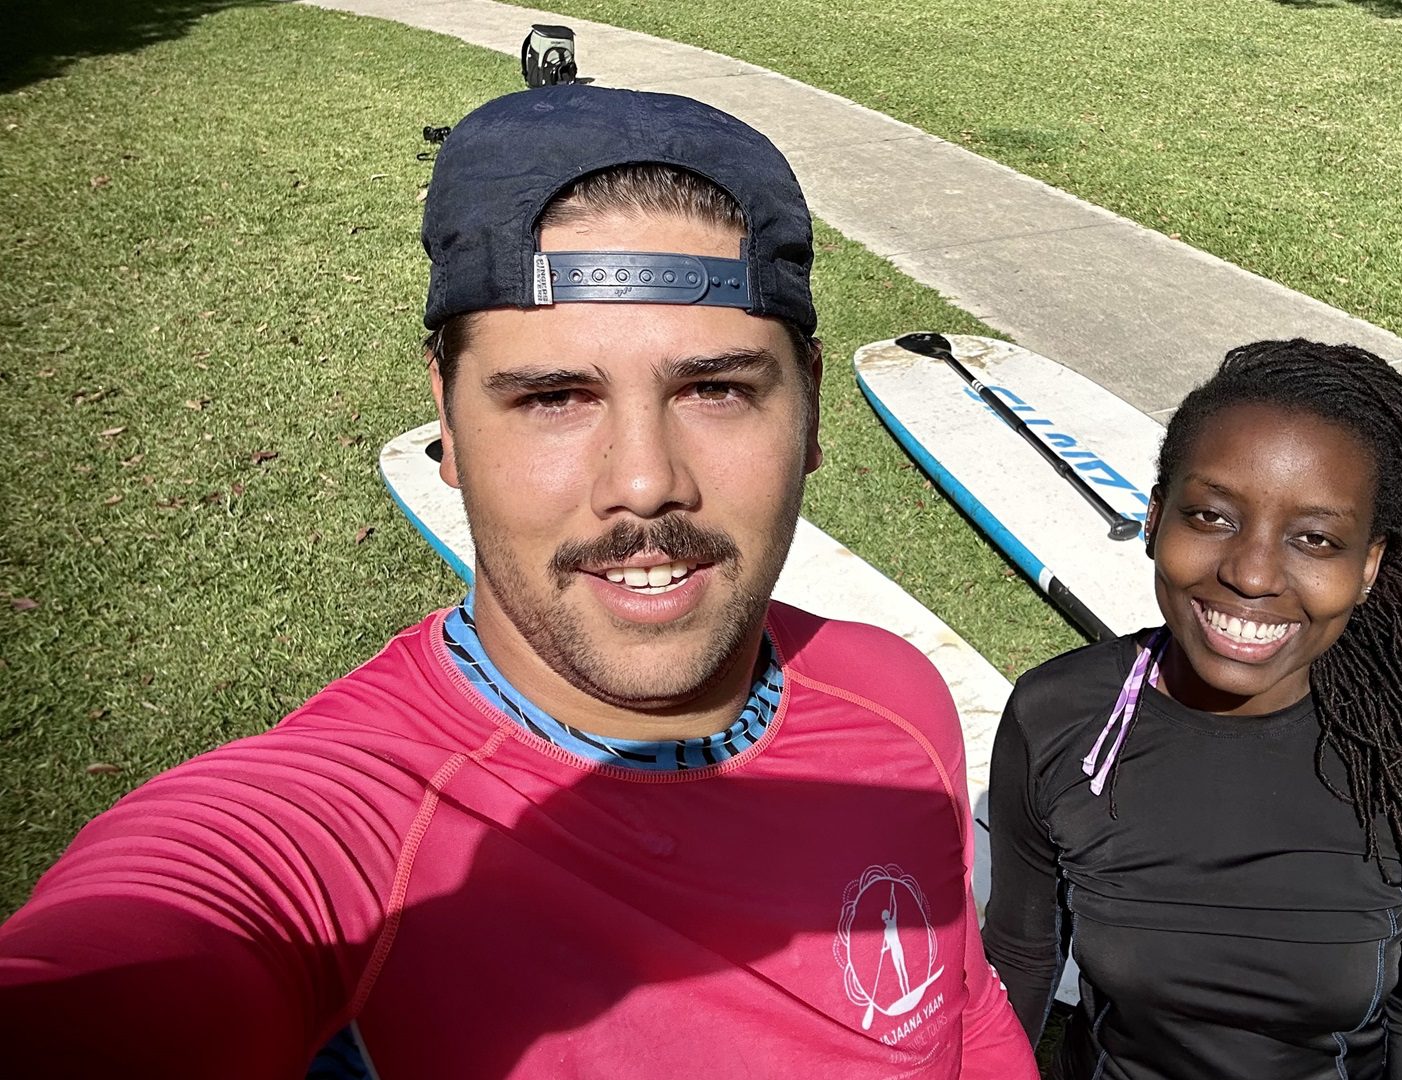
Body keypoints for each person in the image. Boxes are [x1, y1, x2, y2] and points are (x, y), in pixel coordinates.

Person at [0, 85, 1035, 1079]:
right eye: (552, 397)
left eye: (714, 389)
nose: (645, 484)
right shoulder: (336, 846)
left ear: (808, 407)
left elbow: (959, 1018)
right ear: (448, 421)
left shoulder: (896, 701)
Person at [982, 339, 1402, 1079]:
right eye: (1212, 517)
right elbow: (1021, 957)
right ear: (1155, 519)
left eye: (1315, 538)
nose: (1251, 573)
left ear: (1368, 563)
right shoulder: (1059, 719)